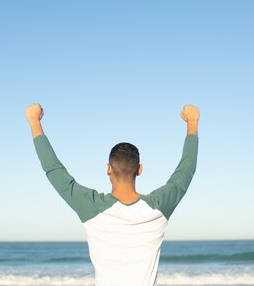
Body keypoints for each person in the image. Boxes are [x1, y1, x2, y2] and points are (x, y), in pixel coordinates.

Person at [25, 103, 199, 286]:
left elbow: (54, 170)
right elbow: (186, 171)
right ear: (139, 169)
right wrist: (193, 122)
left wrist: (34, 121)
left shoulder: (91, 207)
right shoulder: (159, 207)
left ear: (108, 168)